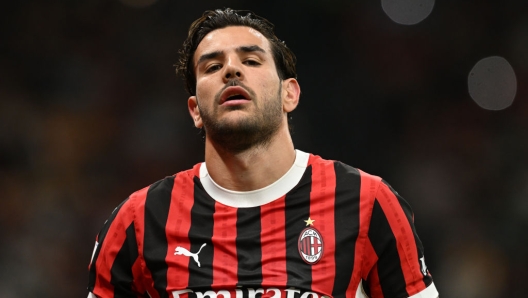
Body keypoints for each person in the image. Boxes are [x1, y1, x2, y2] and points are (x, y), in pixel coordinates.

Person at [87, 8, 439, 298]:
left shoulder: (366, 201)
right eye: (212, 67)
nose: (231, 70)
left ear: (291, 94)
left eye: (251, 61)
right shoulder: (139, 220)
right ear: (195, 109)